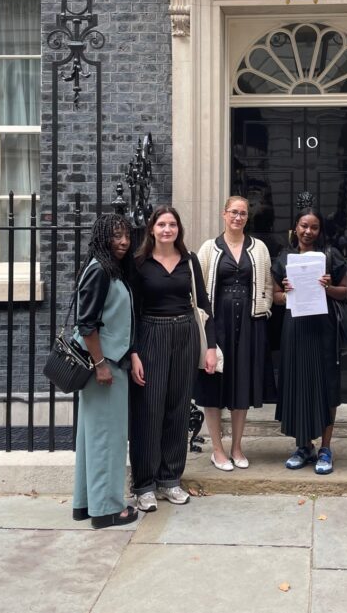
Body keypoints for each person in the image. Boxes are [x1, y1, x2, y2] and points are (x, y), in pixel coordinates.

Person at [129, 205, 216, 511]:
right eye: (162, 224)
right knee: (148, 410)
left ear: (179, 229)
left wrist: (210, 347)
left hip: (185, 334)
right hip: (151, 334)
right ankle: (144, 484)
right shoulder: (139, 264)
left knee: (178, 409)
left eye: (172, 225)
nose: (167, 229)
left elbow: (203, 304)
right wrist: (134, 353)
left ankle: (170, 480)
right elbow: (132, 313)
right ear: (152, 228)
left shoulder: (190, 261)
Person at [195, 196, 275, 471]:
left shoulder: (259, 248)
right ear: (224, 214)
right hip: (217, 325)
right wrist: (206, 331)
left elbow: (266, 283)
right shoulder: (209, 248)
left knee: (242, 386)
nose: (238, 217)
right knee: (214, 386)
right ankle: (217, 449)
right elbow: (198, 290)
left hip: (250, 325)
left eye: (242, 213)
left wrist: (264, 310)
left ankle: (237, 447)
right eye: (233, 212)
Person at [272, 202, 347, 475]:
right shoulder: (284, 258)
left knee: (326, 384)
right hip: (295, 329)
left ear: (320, 230)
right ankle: (303, 445)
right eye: (304, 226)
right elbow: (275, 298)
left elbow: (346, 292)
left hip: (323, 329)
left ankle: (326, 448)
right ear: (295, 227)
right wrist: (285, 291)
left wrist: (329, 288)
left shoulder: (331, 256)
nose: (308, 231)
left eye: (314, 227)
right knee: (298, 383)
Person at [72, 213, 138, 528]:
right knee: (107, 439)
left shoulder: (107, 269)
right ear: (102, 237)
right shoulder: (100, 270)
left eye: (126, 235)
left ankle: (86, 503)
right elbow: (86, 324)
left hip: (108, 362)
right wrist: (101, 365)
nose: (123, 241)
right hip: (105, 366)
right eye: (116, 235)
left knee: (93, 436)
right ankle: (108, 509)